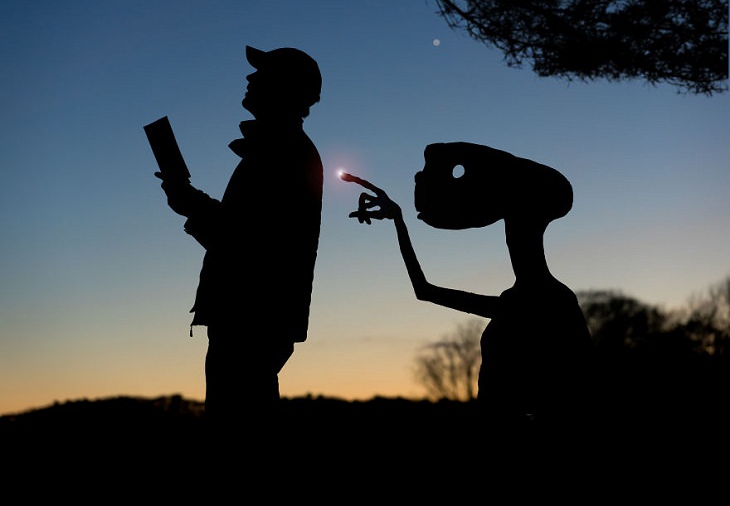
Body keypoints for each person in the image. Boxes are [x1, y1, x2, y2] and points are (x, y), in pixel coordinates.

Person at [342, 142, 594, 460]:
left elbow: (576, 392)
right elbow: (425, 291)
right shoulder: (522, 300)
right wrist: (398, 220)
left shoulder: (547, 302)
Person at [156, 46, 324, 436]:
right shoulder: (279, 149)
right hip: (255, 318)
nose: (249, 80)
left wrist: (189, 204)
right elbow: (244, 234)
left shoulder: (281, 153)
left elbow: (246, 244)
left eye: (261, 74)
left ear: (283, 88)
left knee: (239, 428)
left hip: (252, 318)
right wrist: (191, 203)